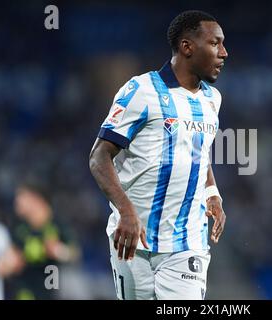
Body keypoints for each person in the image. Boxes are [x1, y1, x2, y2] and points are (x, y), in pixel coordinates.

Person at [89, 10, 228, 300]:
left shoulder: (212, 100)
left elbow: (198, 152)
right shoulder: (141, 90)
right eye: (215, 44)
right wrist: (126, 210)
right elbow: (99, 157)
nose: (224, 53)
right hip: (131, 238)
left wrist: (212, 192)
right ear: (187, 47)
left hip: (186, 243)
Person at [8, 182, 80, 299]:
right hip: (25, 293)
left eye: (22, 197)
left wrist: (58, 251)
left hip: (50, 292)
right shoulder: (19, 227)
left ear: (36, 199)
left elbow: (75, 254)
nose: (17, 201)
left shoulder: (57, 225)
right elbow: (11, 258)